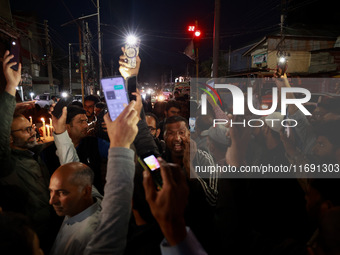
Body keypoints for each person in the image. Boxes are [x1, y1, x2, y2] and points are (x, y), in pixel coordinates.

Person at [49, 162, 103, 255]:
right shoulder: (78, 203)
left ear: (86, 192)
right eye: (51, 191)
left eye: (62, 193)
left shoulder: (91, 238)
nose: (51, 201)